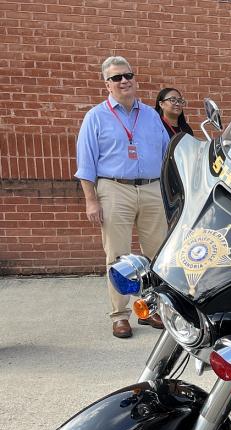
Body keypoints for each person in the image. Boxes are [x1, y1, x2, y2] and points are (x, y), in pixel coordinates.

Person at [75, 56, 170, 338]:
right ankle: (119, 315)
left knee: (157, 255)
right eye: (117, 77)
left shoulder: (151, 115)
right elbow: (86, 164)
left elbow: (167, 156)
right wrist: (91, 200)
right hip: (114, 188)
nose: (124, 81)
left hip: (153, 188)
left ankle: (151, 310)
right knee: (117, 256)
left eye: (128, 75)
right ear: (107, 84)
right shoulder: (96, 116)